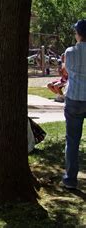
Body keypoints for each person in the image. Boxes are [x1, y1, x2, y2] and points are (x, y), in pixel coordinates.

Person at [61, 19, 86, 190]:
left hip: (74, 97)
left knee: (72, 140)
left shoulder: (70, 52)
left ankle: (70, 179)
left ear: (78, 34)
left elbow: (67, 70)